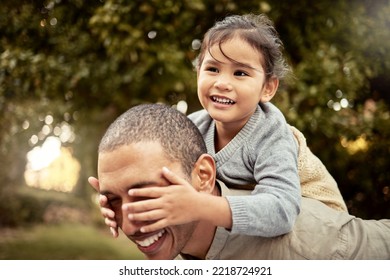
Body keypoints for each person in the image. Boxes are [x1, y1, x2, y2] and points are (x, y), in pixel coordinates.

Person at [97, 13, 347, 239]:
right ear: (198, 74)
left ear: (268, 88)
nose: (222, 83)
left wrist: (199, 205)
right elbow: (157, 175)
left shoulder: (271, 135)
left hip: (321, 226)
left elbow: (281, 210)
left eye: (240, 73)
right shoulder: (192, 127)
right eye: (213, 69)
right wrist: (121, 201)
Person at [88, 103, 390, 260]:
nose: (129, 226)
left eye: (146, 195)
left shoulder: (312, 247)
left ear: (204, 176)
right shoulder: (197, 131)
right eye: (114, 198)